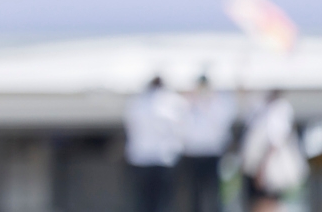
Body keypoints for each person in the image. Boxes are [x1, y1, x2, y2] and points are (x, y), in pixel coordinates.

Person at [241, 90, 306, 212]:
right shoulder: (262, 106)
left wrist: (262, 169)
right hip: (259, 169)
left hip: (266, 171)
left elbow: (275, 141)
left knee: (264, 202)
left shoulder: (279, 109)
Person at [128, 76, 186, 212]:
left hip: (151, 158)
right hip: (158, 158)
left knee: (148, 200)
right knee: (157, 201)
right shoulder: (171, 102)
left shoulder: (138, 102)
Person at [180, 74, 235, 212]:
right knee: (195, 193)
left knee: (214, 192)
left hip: (212, 153)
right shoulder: (189, 103)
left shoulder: (217, 102)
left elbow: (224, 123)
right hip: (193, 154)